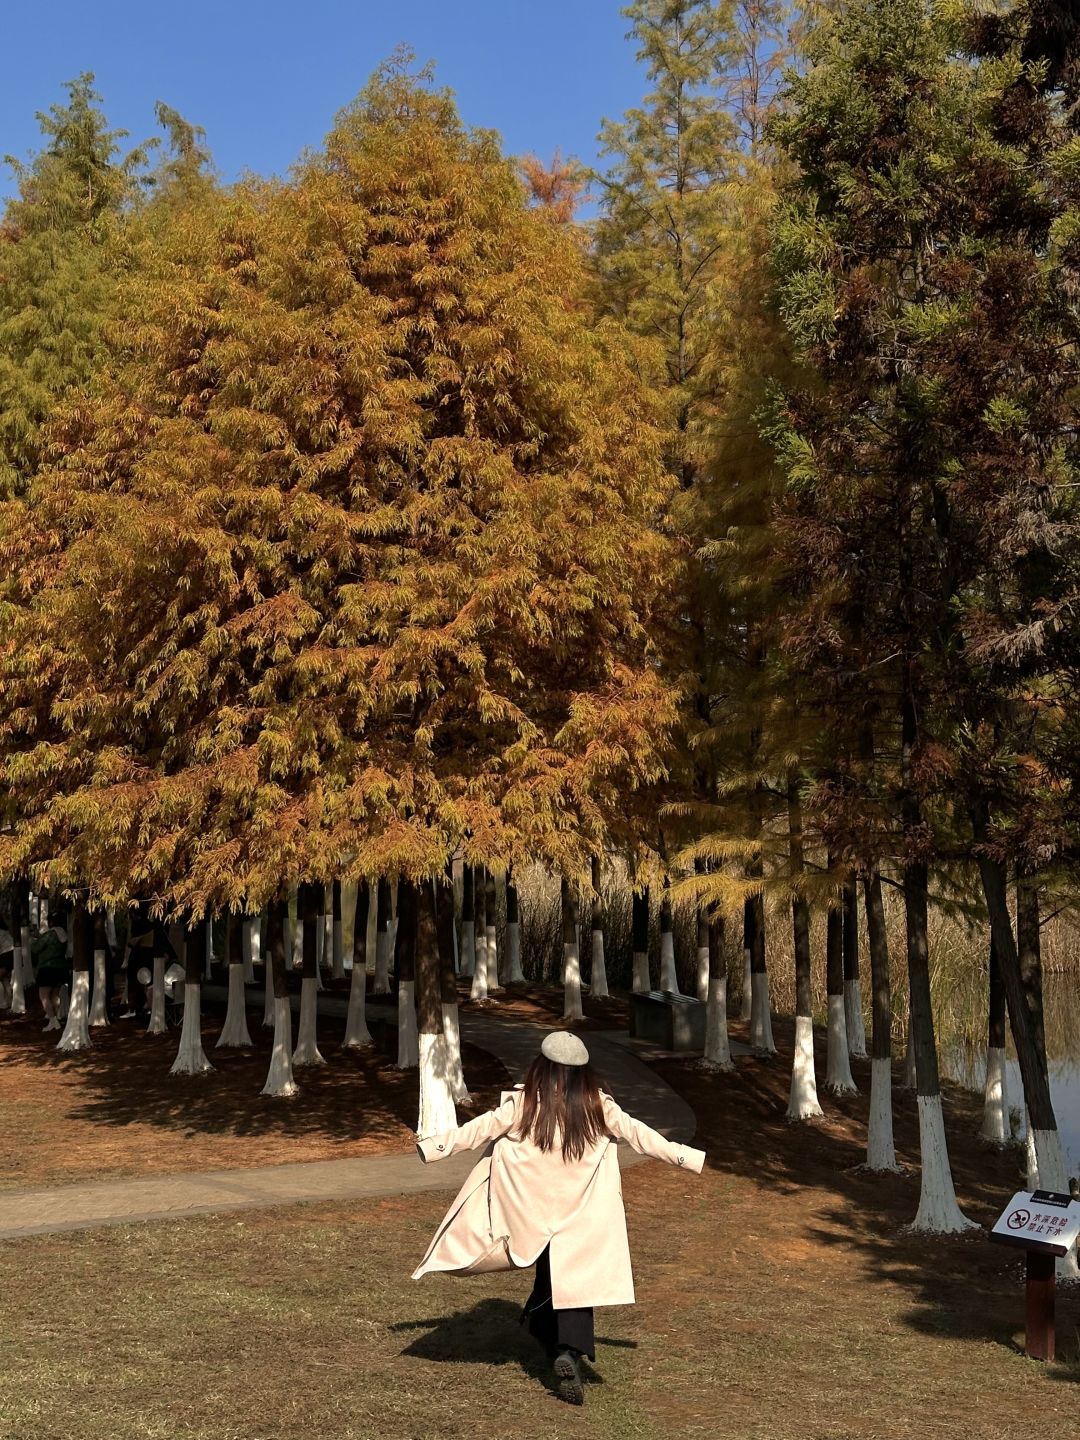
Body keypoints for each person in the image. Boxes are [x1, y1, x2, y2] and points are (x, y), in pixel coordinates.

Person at [412, 1030, 705, 1406]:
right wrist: (687, 1157)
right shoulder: (598, 1105)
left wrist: (435, 1147)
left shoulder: (524, 1104)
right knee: (573, 1282)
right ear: (584, 1072)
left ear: (543, 1068)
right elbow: (642, 1135)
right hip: (580, 1214)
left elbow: (478, 1129)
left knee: (551, 1278)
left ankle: (553, 1343)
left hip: (529, 1211)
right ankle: (567, 1349)